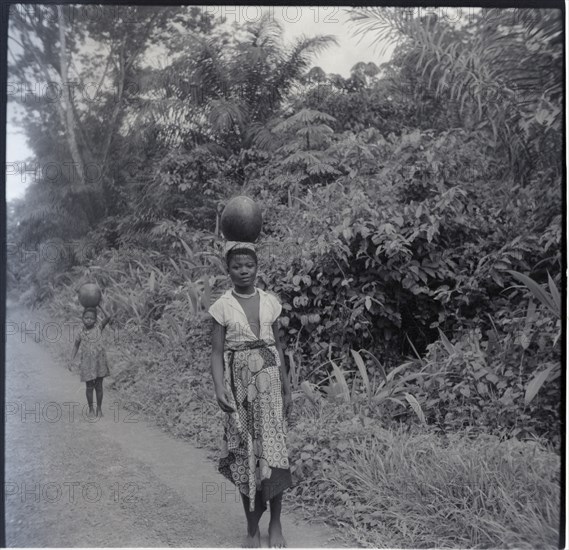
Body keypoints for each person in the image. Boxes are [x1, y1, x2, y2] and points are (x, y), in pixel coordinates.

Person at [209, 241, 293, 548]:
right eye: (236, 266)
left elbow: (278, 347)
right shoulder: (222, 306)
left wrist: (286, 384)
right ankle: (251, 527)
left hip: (269, 390)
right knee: (246, 455)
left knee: (274, 453)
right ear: (227, 270)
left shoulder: (270, 302)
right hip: (240, 392)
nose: (243, 271)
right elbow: (217, 353)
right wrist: (219, 387)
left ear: (257, 268)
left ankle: (276, 523)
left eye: (249, 265)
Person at [71, 304, 111, 418]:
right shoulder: (80, 332)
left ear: (95, 320)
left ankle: (99, 409)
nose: (89, 320)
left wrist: (100, 305)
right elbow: (75, 346)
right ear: (82, 318)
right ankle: (91, 409)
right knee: (89, 387)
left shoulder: (99, 327)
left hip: (99, 362)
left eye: (92, 318)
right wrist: (71, 359)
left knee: (99, 386)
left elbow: (108, 317)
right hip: (87, 363)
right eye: (86, 318)